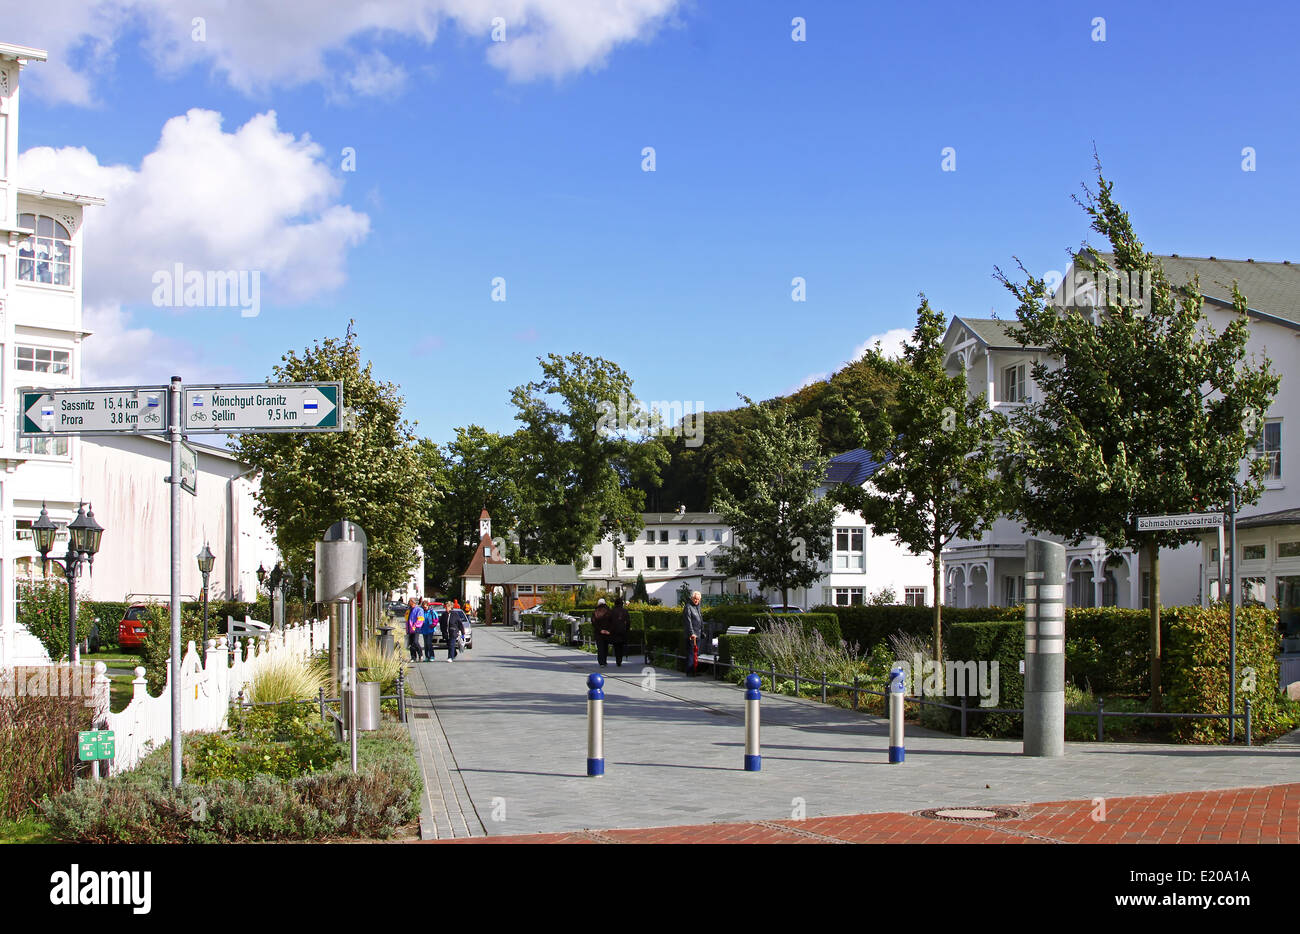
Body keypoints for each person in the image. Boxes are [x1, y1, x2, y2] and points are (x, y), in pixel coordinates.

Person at [682, 590, 704, 675]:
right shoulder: (688, 607)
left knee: (696, 653)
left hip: (698, 633)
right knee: (691, 653)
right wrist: (692, 633)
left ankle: (694, 670)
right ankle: (690, 671)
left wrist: (702, 631)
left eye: (698, 599)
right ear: (692, 598)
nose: (696, 600)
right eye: (695, 599)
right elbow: (688, 621)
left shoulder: (698, 607)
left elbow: (700, 620)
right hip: (692, 635)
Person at [608, 595, 631, 667]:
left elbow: (609, 621)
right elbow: (628, 622)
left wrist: (610, 629)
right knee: (621, 645)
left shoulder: (612, 611)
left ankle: (618, 659)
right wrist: (627, 629)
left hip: (614, 631)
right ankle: (620, 659)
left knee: (616, 646)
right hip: (622, 631)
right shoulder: (625, 611)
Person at [592, 598, 612, 667]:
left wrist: (600, 630)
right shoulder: (609, 611)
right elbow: (612, 622)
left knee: (600, 648)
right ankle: (605, 661)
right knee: (605, 647)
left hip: (598, 633)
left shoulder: (596, 611)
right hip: (607, 633)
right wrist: (608, 630)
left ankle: (601, 662)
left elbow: (594, 622)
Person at [405, 598, 423, 662]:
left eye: (410, 602)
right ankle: (413, 657)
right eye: (409, 602)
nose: (409, 603)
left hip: (416, 628)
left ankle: (420, 654)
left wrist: (415, 626)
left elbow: (420, 619)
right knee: (411, 643)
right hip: (409, 629)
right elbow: (407, 620)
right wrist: (407, 629)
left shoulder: (419, 609)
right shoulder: (408, 610)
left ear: (414, 602)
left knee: (415, 642)